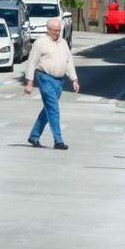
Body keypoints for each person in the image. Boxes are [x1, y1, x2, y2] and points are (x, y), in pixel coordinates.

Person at [24, 18, 80, 150]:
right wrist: (29, 82)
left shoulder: (63, 43)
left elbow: (69, 61)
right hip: (45, 77)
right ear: (48, 30)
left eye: (59, 30)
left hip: (59, 81)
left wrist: (74, 79)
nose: (57, 33)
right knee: (54, 109)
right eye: (55, 30)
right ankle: (58, 140)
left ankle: (34, 136)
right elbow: (32, 62)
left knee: (48, 109)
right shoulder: (40, 43)